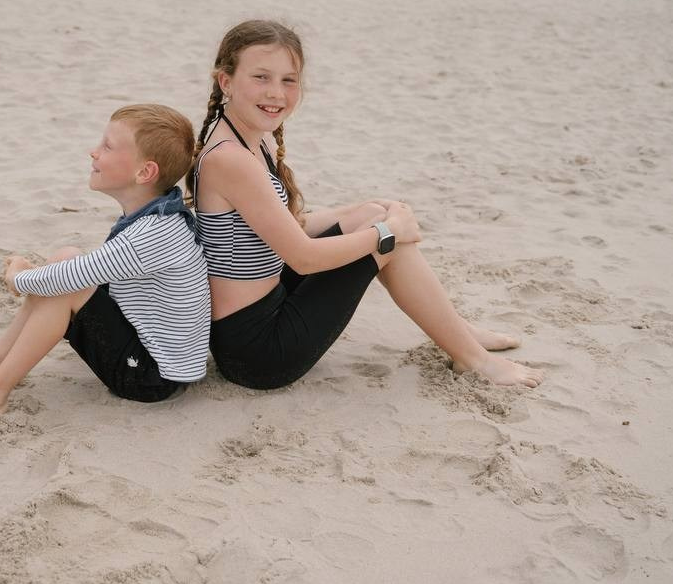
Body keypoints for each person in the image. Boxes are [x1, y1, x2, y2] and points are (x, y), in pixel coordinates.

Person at [189, 20, 542, 391]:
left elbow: (290, 224)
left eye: (288, 80)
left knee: (376, 214)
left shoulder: (246, 137)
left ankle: (457, 331)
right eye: (261, 77)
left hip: (266, 306)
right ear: (225, 81)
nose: (276, 93)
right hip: (258, 352)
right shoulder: (230, 159)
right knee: (386, 238)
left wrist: (369, 211)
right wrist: (385, 234)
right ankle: (471, 356)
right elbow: (303, 258)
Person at [0, 104, 210, 426]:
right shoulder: (156, 218)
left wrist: (18, 277)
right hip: (148, 350)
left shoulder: (154, 234)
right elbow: (81, 270)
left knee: (65, 286)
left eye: (107, 146)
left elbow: (73, 279)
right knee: (66, 256)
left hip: (152, 377)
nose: (94, 152)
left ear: (144, 173)